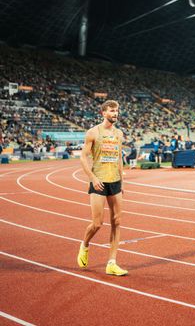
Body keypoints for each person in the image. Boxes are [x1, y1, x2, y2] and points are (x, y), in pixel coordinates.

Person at [77, 99, 128, 276]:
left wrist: (122, 181)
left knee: (117, 222)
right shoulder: (93, 132)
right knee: (97, 223)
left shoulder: (119, 134)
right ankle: (84, 244)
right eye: (112, 111)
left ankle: (112, 263)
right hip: (98, 181)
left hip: (114, 182)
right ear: (103, 113)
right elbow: (83, 157)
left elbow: (119, 157)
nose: (115, 114)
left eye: (117, 111)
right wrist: (92, 178)